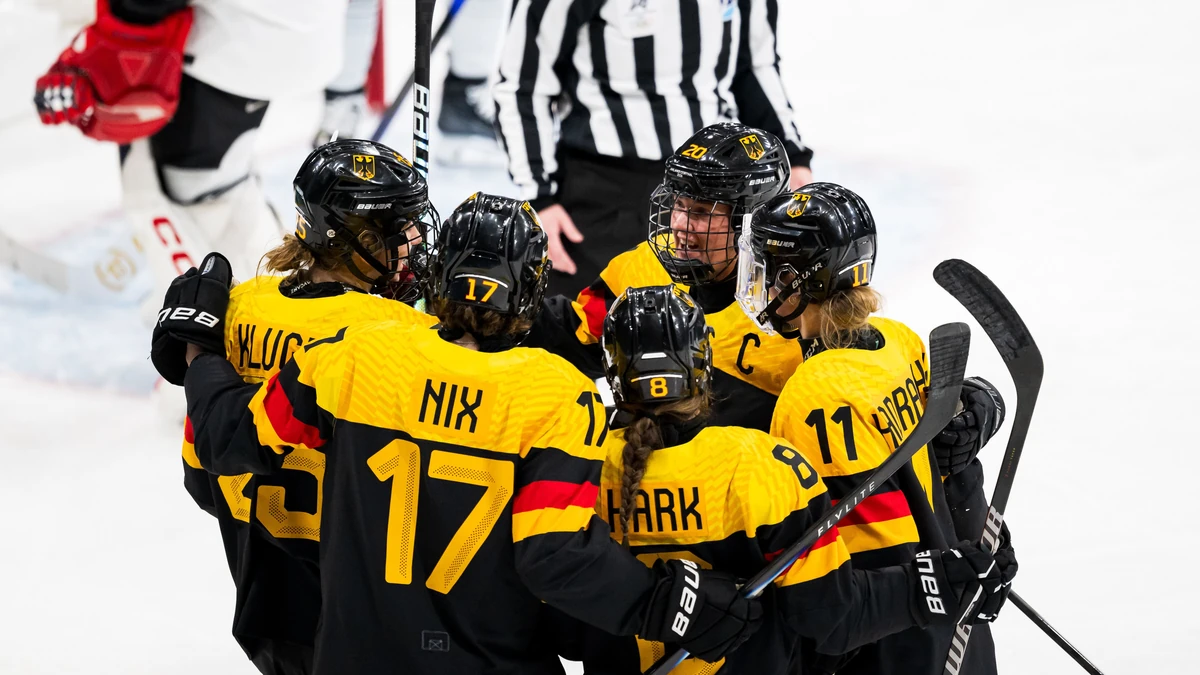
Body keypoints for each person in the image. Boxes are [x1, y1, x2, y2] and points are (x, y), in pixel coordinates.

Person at [155, 193, 763, 675]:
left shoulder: (358, 353)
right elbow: (553, 557)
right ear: (529, 293)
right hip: (491, 662)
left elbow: (231, 440)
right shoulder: (553, 392)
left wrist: (202, 352)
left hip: (348, 657)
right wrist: (666, 603)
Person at [547, 285, 1017, 674]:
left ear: (610, 372)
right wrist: (930, 585)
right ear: (703, 365)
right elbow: (831, 616)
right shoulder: (761, 468)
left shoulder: (573, 469)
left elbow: (563, 628)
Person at [157, 139, 438, 675]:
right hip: (370, 612)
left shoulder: (237, 307)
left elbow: (201, 479)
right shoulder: (404, 336)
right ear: (352, 237)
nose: (415, 239)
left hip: (267, 606)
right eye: (400, 226)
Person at [739, 183, 1017, 675]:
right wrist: (979, 554)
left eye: (767, 270)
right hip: (957, 621)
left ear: (798, 279)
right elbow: (946, 474)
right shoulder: (898, 339)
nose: (759, 283)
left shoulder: (814, 397)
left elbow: (859, 565)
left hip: (890, 643)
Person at [35, 0, 351, 324]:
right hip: (288, 32)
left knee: (190, 192)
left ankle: (251, 331)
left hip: (232, 41)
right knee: (219, 180)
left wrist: (126, 35)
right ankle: (280, 315)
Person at [493, 0, 815, 296]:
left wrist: (792, 156)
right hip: (603, 192)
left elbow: (754, 66)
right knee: (586, 337)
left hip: (720, 192)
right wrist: (540, 197)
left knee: (721, 340)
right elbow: (522, 85)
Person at [528, 122, 800, 431]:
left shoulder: (797, 307)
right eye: (678, 205)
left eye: (700, 212)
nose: (680, 224)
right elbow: (574, 335)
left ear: (750, 221)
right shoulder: (645, 265)